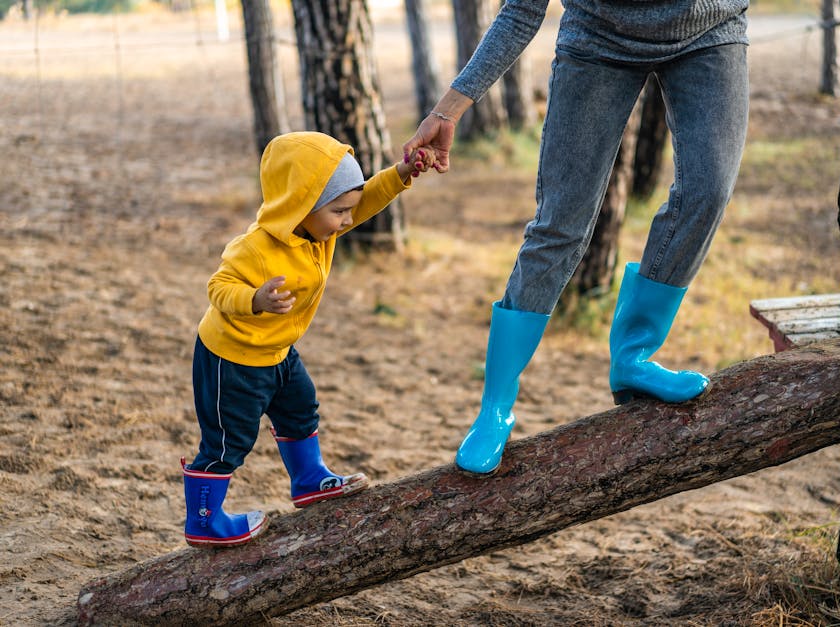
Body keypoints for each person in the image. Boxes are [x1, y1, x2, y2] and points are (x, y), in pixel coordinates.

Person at [403, 1, 750, 475]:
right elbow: (522, 10)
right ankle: (495, 408)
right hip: (599, 38)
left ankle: (634, 357)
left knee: (707, 193)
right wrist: (451, 107)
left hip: (710, 29)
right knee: (559, 225)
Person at [182, 131, 437, 547]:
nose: (348, 220)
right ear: (301, 205)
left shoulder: (321, 228)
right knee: (230, 440)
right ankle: (204, 520)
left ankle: (308, 479)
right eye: (339, 211)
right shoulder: (256, 248)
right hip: (234, 358)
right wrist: (255, 299)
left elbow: (365, 200)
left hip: (279, 351)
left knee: (301, 409)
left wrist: (402, 173)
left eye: (347, 210)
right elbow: (217, 286)